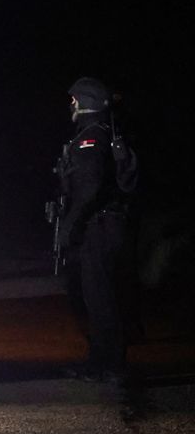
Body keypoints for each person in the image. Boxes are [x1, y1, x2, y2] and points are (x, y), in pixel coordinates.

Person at [56, 77, 130, 383]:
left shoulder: (91, 138)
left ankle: (108, 365)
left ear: (85, 103)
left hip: (100, 226)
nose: (71, 106)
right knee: (101, 295)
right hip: (108, 224)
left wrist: (70, 226)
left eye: (74, 101)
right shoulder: (102, 133)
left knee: (98, 297)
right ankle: (102, 361)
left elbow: (88, 187)